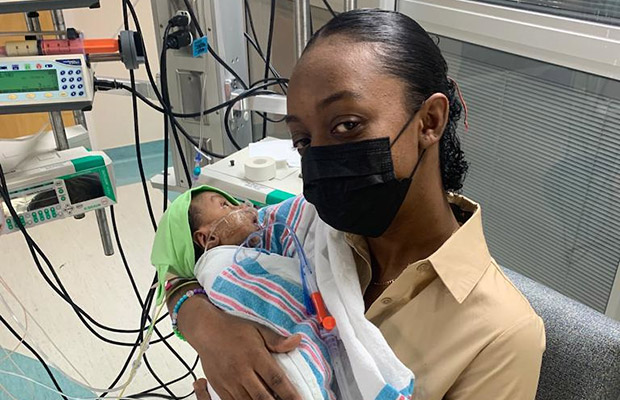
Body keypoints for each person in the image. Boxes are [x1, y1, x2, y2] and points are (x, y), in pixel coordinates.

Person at [161, 9, 546, 400]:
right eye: (304, 140)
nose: (320, 162)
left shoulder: (500, 336)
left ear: (429, 121)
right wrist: (208, 328)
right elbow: (175, 268)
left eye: (346, 124)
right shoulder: (310, 226)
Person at [152, 185, 415, 400]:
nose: (242, 206)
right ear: (207, 239)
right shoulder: (220, 265)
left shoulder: (268, 235)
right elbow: (271, 302)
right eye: (225, 205)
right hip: (280, 362)